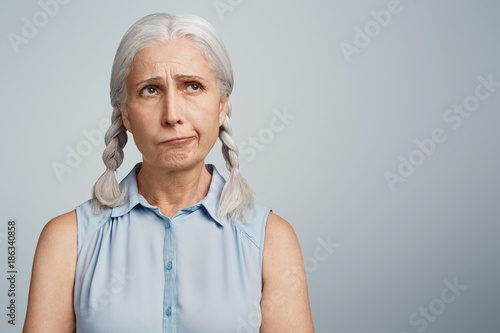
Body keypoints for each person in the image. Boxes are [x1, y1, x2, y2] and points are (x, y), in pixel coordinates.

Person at [23, 13, 314, 332]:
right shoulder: (67, 240)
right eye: (150, 90)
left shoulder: (272, 240)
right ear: (126, 114)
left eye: (193, 86)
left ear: (221, 106)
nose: (172, 114)